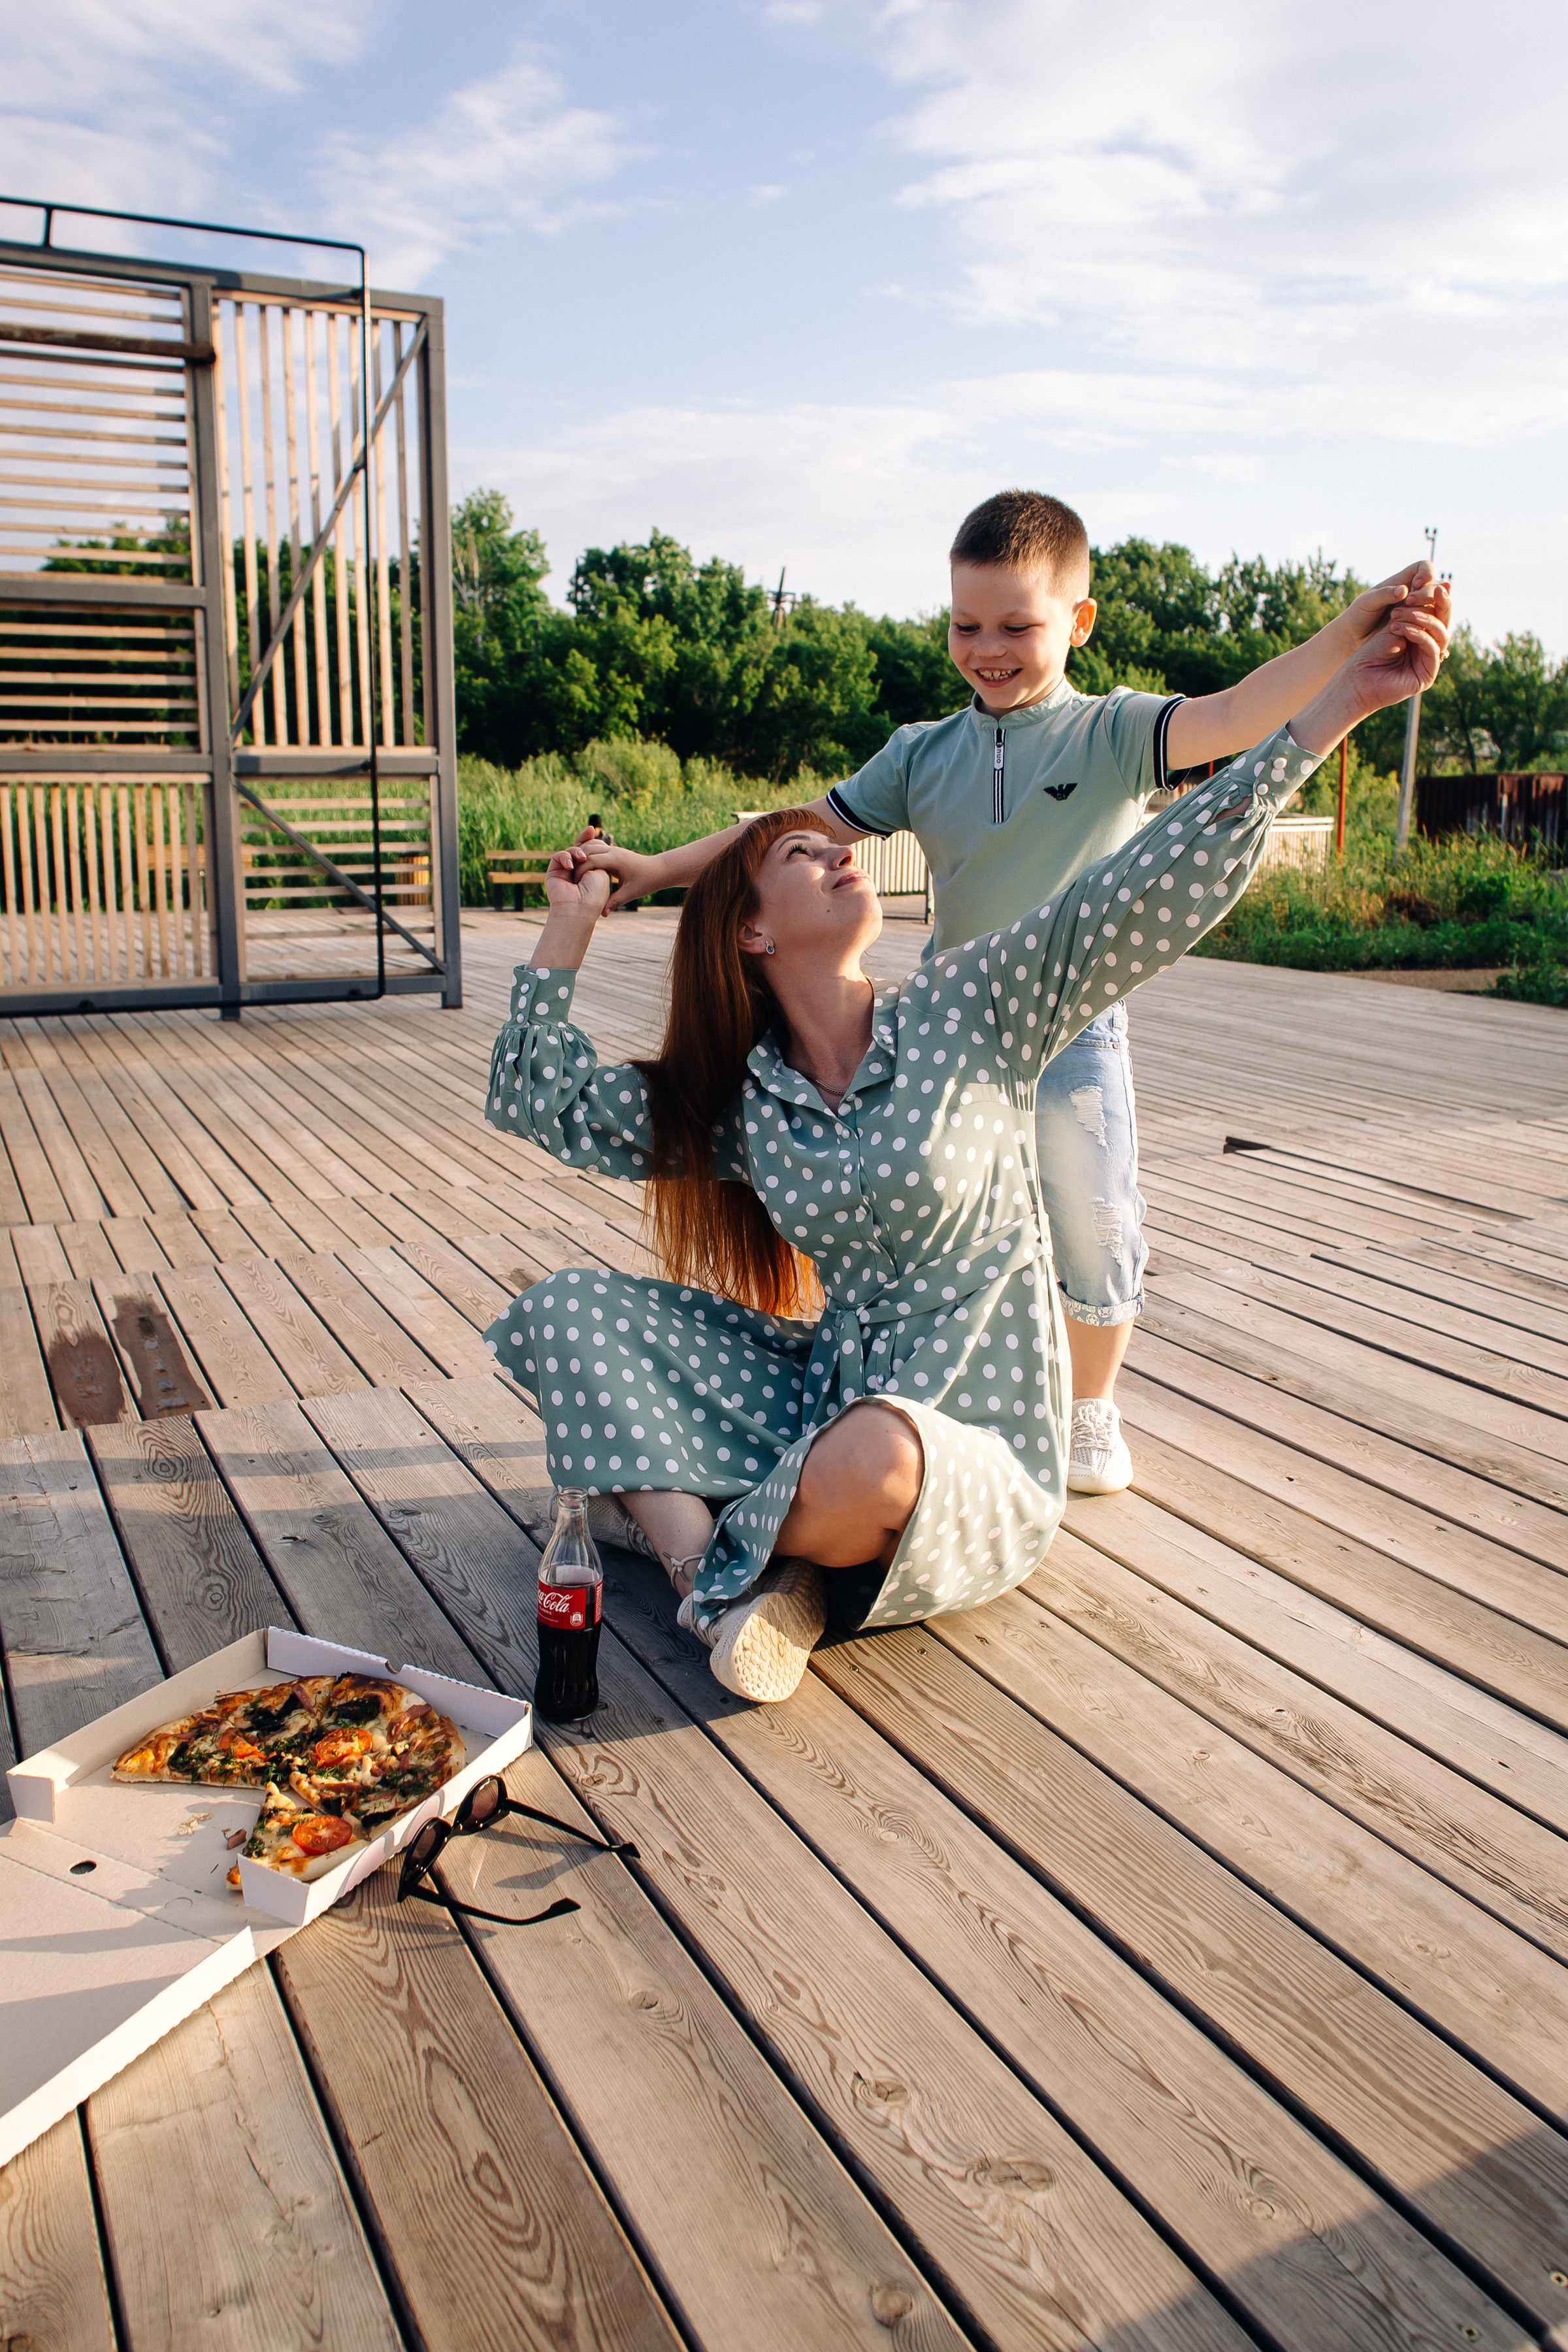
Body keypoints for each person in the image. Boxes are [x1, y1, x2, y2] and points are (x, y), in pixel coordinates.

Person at [485, 605, 1446, 1706]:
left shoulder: (972, 1005)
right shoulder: (741, 1106)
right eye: (804, 854)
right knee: (569, 1309)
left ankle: (691, 1531)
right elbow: (538, 1099)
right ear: (752, 933)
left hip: (968, 1440)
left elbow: (1148, 886)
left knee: (877, 1460)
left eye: (834, 840)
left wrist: (1336, 712)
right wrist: (570, 920)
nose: (842, 848)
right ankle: (737, 1568)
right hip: (821, 1399)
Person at [569, 494, 1447, 1497]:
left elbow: (1245, 713)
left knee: (1093, 1210)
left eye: (1017, 627)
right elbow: (782, 833)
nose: (987, 649)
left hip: (1072, 1024)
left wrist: (1353, 634)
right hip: (946, 1030)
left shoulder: (1114, 731)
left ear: (1077, 623)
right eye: (965, 625)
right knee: (951, 1220)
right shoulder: (921, 753)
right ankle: (934, 1396)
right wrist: (654, 869)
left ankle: (1088, 1409)